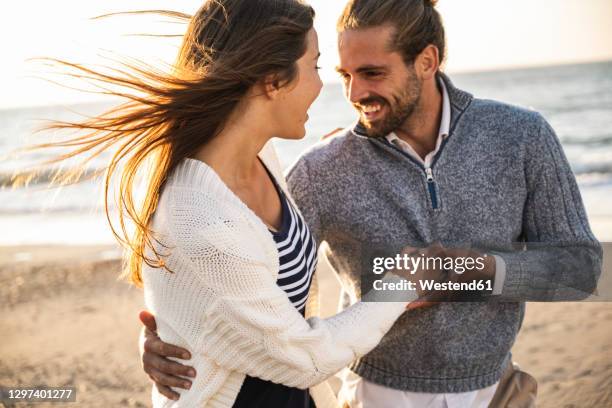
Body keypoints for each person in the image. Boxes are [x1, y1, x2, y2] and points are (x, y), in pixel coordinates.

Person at [141, 0, 602, 407]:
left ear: (427, 60)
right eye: (343, 74)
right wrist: (171, 335)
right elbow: (229, 274)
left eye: (372, 73)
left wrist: (475, 268)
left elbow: (581, 270)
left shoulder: (520, 136)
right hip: (372, 395)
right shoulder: (323, 167)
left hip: (495, 391)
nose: (355, 94)